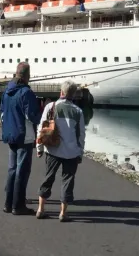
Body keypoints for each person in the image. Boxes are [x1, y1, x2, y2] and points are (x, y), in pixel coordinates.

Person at [35, 81, 86, 221]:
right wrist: (80, 153)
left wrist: (39, 147)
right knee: (67, 181)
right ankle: (63, 213)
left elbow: (41, 128)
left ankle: (40, 209)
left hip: (52, 149)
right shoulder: (78, 111)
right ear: (73, 95)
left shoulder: (50, 107)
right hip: (71, 152)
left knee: (48, 177)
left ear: (61, 92)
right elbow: (81, 135)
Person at [0, 62, 40, 215]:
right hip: (24, 135)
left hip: (10, 134)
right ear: (27, 75)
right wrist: (42, 113)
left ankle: (8, 204)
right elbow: (32, 115)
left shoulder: (7, 91)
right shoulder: (26, 92)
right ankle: (18, 205)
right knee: (22, 171)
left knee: (12, 169)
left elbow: (2, 112)